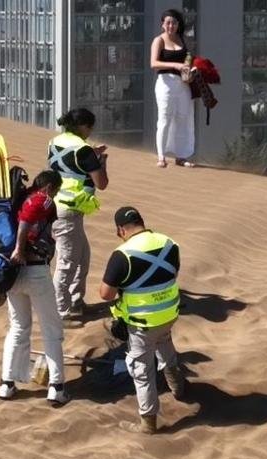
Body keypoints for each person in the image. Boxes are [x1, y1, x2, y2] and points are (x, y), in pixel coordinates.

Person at [99, 207, 188, 435]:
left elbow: (106, 294)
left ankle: (148, 423)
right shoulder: (169, 243)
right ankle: (178, 386)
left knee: (142, 370)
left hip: (142, 322)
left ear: (121, 230)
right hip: (169, 314)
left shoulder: (123, 254)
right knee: (165, 343)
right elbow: (173, 274)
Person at [0, 170, 67, 404]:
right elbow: (27, 220)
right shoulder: (42, 199)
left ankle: (7, 383)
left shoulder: (20, 197)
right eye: (56, 190)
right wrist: (19, 248)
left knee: (18, 327)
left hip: (13, 275)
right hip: (34, 270)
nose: (55, 195)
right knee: (52, 329)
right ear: (49, 187)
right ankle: (56, 387)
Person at [48, 108, 109, 326]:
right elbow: (101, 183)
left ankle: (76, 301)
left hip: (60, 206)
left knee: (82, 256)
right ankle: (60, 312)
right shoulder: (84, 150)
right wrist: (100, 161)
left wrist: (91, 154)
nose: (91, 131)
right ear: (82, 126)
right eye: (90, 127)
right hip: (69, 209)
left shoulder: (55, 141)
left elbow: (69, 164)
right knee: (67, 262)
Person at [149, 9, 196, 169]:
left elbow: (189, 58)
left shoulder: (182, 39)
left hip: (183, 84)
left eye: (174, 22)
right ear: (163, 24)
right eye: (168, 22)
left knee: (183, 118)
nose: (171, 25)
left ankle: (181, 155)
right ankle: (161, 156)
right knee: (164, 119)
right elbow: (154, 64)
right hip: (165, 83)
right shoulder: (159, 40)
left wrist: (189, 71)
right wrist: (175, 65)